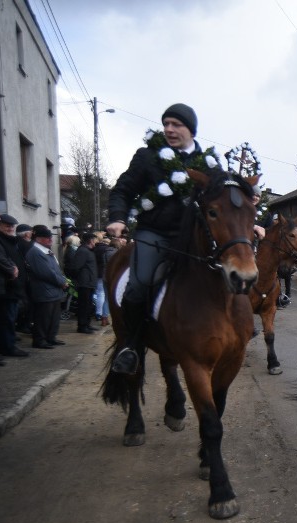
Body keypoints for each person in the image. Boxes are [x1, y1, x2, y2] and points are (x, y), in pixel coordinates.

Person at [106, 103, 221, 374]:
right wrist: (118, 217)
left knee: (228, 271)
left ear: (190, 130)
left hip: (192, 238)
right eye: (166, 124)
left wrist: (252, 219)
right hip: (154, 234)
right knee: (140, 282)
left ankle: (238, 327)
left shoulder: (209, 164)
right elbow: (122, 190)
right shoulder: (148, 156)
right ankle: (131, 345)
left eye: (176, 124)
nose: (169, 129)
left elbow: (225, 198)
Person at [25, 225, 69, 349]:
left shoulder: (45, 250)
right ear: (38, 239)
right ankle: (40, 340)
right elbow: (46, 273)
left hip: (52, 291)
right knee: (43, 318)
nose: (50, 239)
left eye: (50, 237)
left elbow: (56, 270)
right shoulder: (35, 252)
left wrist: (62, 280)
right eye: (47, 237)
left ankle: (50, 337)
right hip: (44, 290)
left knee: (53, 317)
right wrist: (62, 282)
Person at [0, 214, 29, 357]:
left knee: (10, 318)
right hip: (5, 287)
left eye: (12, 226)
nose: (10, 228)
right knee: (6, 319)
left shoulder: (12, 241)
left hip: (13, 287)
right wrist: (12, 268)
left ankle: (7, 345)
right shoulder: (1, 240)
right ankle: (8, 347)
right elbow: (1, 258)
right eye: (7, 226)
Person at [69, 232, 98, 334]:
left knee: (88, 305)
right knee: (84, 306)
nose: (96, 241)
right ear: (90, 240)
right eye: (94, 239)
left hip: (89, 283)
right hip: (84, 283)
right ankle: (82, 326)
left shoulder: (88, 251)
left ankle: (87, 324)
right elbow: (76, 267)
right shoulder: (83, 251)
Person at [93, 234, 115, 326]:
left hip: (103, 275)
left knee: (103, 296)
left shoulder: (103, 252)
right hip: (112, 277)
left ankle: (104, 317)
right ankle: (107, 316)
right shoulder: (116, 253)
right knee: (109, 298)